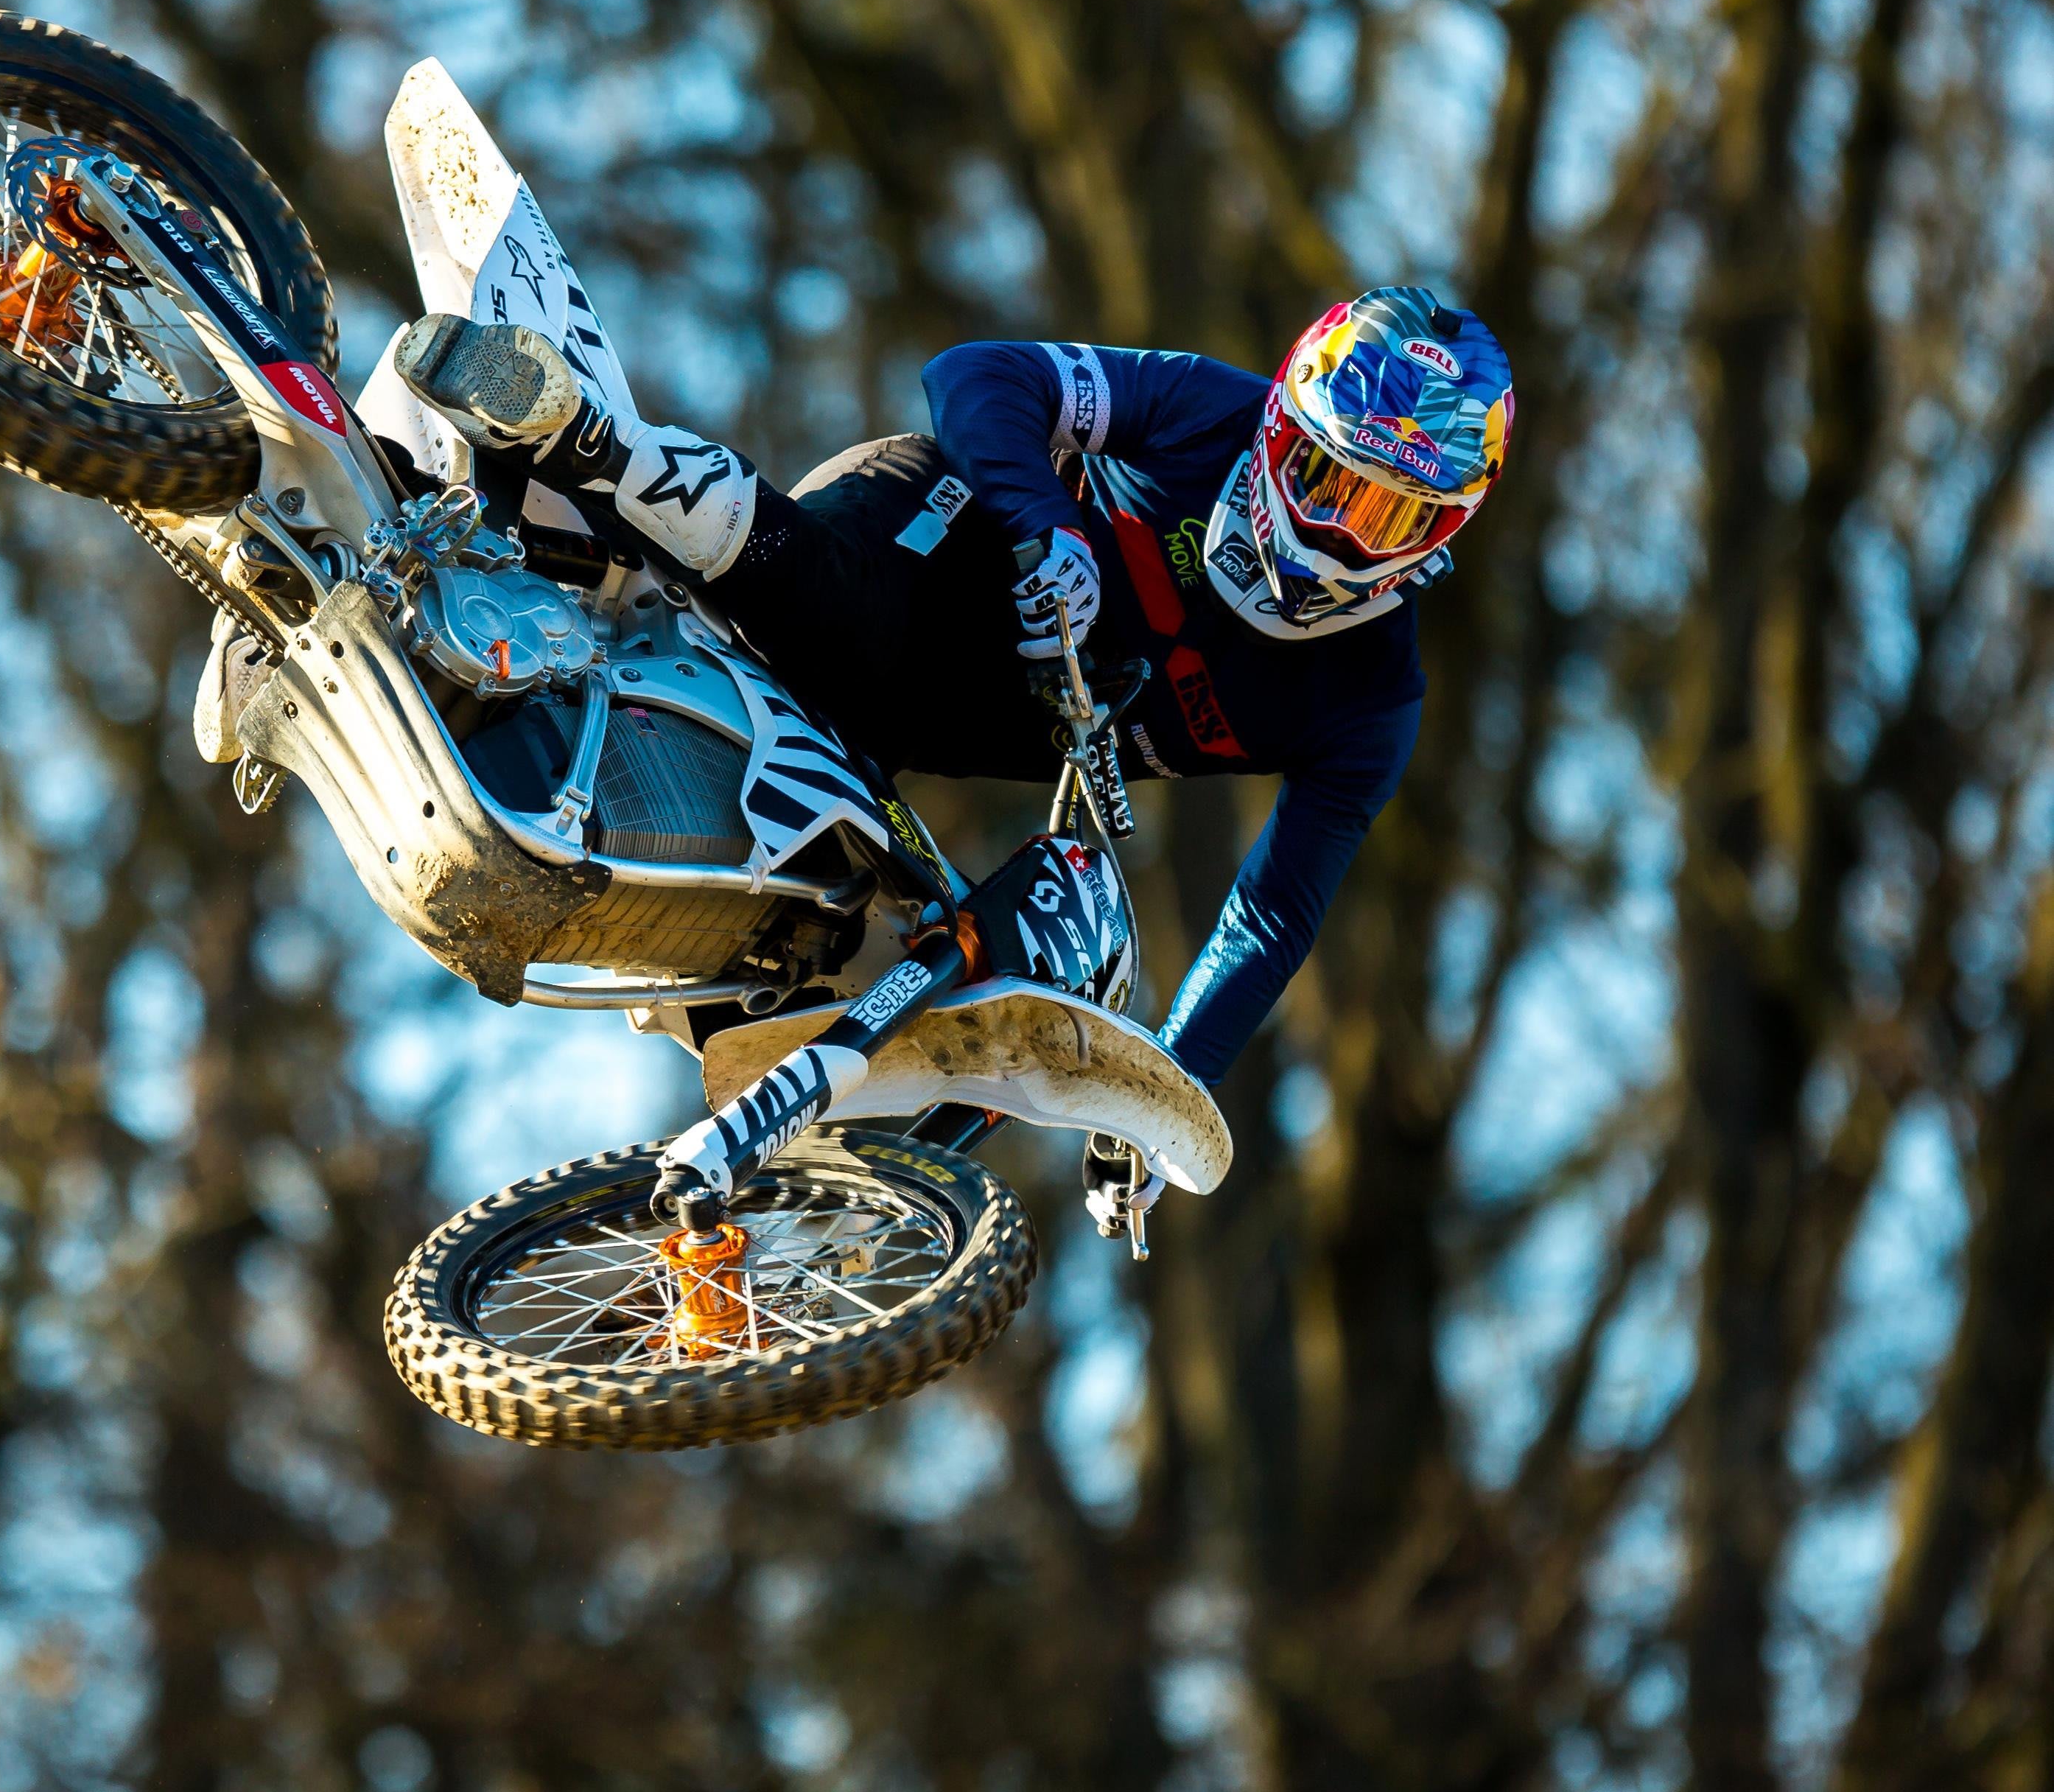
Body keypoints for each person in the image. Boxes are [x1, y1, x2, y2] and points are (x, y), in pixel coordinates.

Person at [388, 288, 1513, 1221]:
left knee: (964, 949)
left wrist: (1163, 1092)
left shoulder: (1373, 701)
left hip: (910, 731)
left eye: (1386, 514)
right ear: (1279, 424)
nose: (1333, 530)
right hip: (935, 528)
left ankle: (796, 1202)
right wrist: (1046, 527)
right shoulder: (1208, 406)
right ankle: (586, 436)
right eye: (1322, 475)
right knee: (855, 631)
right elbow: (977, 373)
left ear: (1443, 535)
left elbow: (1270, 915)